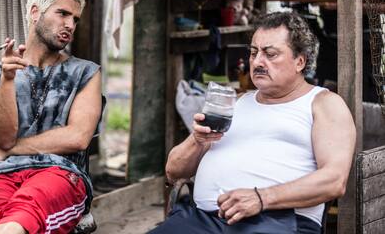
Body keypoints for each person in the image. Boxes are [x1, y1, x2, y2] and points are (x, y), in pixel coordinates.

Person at [149, 12, 356, 234]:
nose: (257, 62)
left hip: (277, 221)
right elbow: (173, 172)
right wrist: (197, 140)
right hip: (201, 220)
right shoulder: (236, 103)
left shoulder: (323, 104)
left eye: (270, 54)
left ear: (300, 61)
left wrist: (262, 198)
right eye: (254, 52)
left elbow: (334, 180)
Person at [0, 0, 102, 234]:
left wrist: (5, 152)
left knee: (19, 220)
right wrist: (9, 81)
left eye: (75, 19)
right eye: (62, 13)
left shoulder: (86, 72)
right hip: (0, 175)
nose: (70, 25)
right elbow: (3, 137)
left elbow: (78, 137)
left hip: (59, 172)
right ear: (35, 12)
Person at [290, 0, 381, 102]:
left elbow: (380, 4)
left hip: (363, 42)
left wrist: (344, 5)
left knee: (362, 99)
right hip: (329, 39)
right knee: (323, 95)